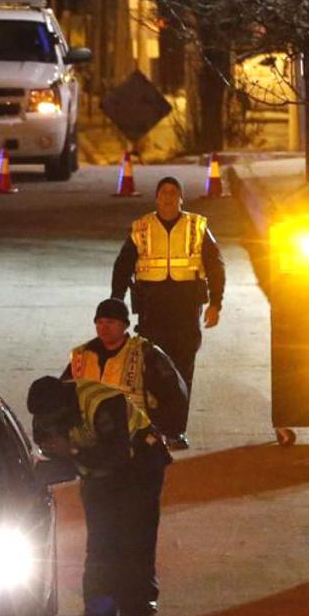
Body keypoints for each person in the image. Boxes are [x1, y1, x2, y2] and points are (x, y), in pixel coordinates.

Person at [27, 375, 171, 616]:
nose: (50, 425)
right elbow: (60, 462)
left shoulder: (103, 402)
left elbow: (115, 455)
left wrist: (73, 451)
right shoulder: (45, 417)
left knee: (132, 553)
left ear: (65, 404)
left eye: (57, 419)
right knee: (99, 555)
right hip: (98, 477)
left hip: (140, 468)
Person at [62, 296, 187, 614]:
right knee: (101, 537)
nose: (104, 328)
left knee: (138, 532)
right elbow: (62, 399)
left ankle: (142, 595)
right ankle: (104, 604)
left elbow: (175, 393)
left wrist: (160, 433)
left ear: (125, 325)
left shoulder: (145, 354)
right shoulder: (81, 357)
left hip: (138, 460)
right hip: (98, 460)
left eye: (111, 323)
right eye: (100, 322)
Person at [110, 174, 225, 448]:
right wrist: (117, 303)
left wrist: (216, 304)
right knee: (152, 371)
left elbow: (216, 266)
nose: (169, 197)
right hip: (152, 309)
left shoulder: (197, 227)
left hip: (186, 310)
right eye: (164, 192)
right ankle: (154, 428)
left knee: (182, 371)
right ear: (156, 198)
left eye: (174, 192)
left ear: (181, 198)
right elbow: (123, 266)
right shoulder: (142, 228)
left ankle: (176, 431)